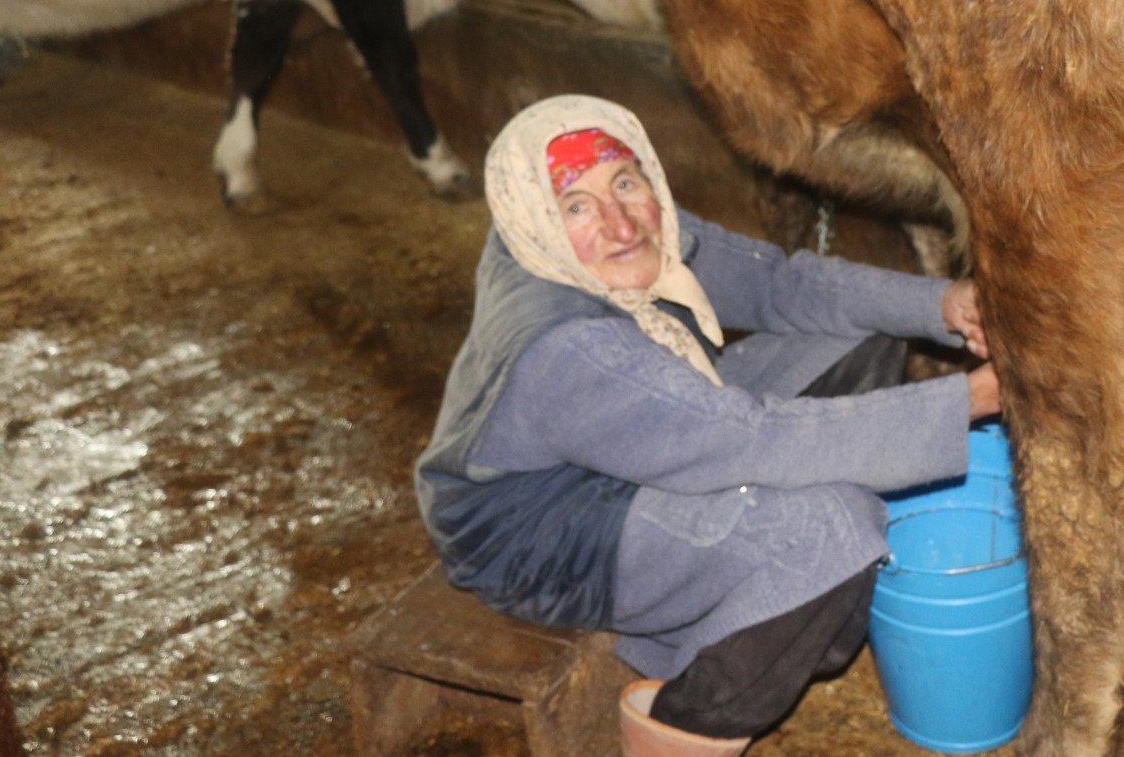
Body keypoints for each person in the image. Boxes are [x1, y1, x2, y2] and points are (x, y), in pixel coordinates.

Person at [415, 95, 999, 757]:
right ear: (538, 217)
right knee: (832, 529)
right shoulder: (569, 348)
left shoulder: (634, 225)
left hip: (645, 423)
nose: (620, 222)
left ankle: (765, 588)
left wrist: (943, 303)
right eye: (576, 205)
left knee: (856, 330)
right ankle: (685, 722)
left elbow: (783, 285)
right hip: (542, 527)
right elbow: (755, 438)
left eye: (625, 182)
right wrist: (969, 400)